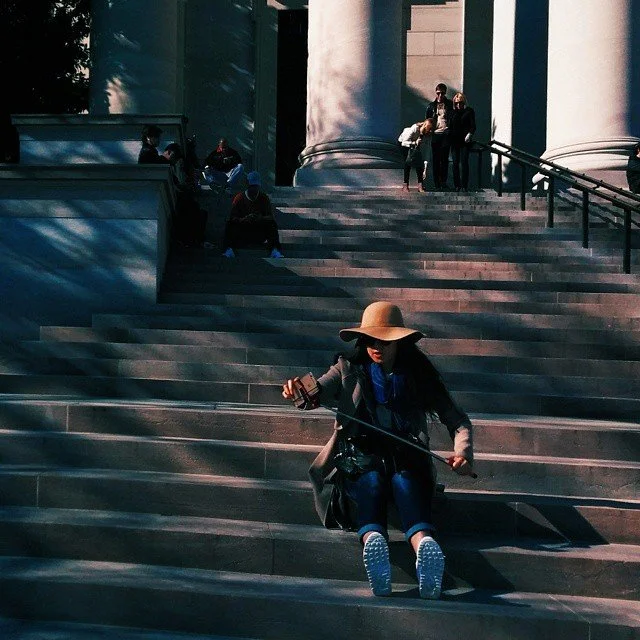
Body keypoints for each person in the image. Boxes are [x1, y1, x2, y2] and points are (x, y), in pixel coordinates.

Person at [282, 301, 474, 598]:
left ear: (400, 342)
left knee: (404, 480)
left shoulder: (418, 376)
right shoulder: (347, 368)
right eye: (370, 340)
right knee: (369, 479)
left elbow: (458, 421)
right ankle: (374, 543)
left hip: (406, 460)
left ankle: (424, 545)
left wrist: (462, 454)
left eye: (384, 341)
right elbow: (314, 392)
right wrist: (298, 391)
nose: (376, 347)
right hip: (361, 459)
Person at [221, 171, 284, 258]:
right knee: (230, 225)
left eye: (255, 187)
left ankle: (275, 249)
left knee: (272, 224)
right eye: (252, 187)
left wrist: (260, 218)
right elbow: (232, 217)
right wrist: (243, 219)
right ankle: (228, 249)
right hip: (243, 231)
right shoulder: (239, 198)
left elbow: (270, 217)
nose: (254, 189)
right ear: (247, 186)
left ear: (258, 186)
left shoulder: (263, 198)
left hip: (258, 231)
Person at [164, 142, 212, 249]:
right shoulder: (163, 164)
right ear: (169, 152)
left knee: (199, 212)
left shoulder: (170, 167)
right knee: (195, 211)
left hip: (183, 201)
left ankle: (194, 239)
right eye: (175, 158)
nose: (175, 161)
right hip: (181, 203)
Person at [425, 83, 453, 190]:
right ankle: (436, 183)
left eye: (442, 93)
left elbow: (452, 118)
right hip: (435, 134)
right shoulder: (431, 106)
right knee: (436, 159)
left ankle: (443, 181)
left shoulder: (450, 105)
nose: (440, 95)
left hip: (445, 134)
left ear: (445, 93)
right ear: (436, 93)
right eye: (438, 93)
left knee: (444, 159)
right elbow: (427, 121)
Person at [449, 92, 476, 192]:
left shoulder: (469, 111)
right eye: (456, 103)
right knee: (455, 163)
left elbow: (473, 126)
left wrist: (469, 134)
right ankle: (457, 185)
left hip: (465, 141)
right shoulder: (452, 112)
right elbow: (450, 126)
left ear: (464, 102)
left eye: (460, 103)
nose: (458, 105)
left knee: (464, 162)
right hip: (454, 141)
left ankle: (464, 185)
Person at [398, 119, 433, 192]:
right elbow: (404, 142)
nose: (430, 131)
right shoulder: (414, 128)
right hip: (404, 144)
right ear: (425, 126)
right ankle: (405, 185)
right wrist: (414, 143)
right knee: (407, 162)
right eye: (429, 129)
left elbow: (427, 150)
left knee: (419, 163)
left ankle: (420, 185)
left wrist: (425, 167)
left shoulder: (428, 135)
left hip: (415, 145)